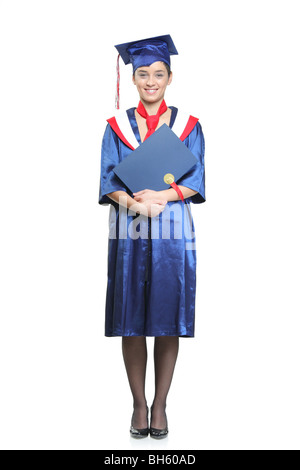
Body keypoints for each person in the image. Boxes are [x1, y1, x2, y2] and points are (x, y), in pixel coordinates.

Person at [98, 35, 206, 439]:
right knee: (132, 320)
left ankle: (159, 406)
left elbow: (196, 179)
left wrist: (161, 195)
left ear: (169, 77)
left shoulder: (188, 126)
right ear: (133, 78)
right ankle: (137, 405)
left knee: (165, 318)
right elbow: (108, 177)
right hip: (130, 228)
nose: (150, 81)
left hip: (173, 232)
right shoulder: (116, 127)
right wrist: (135, 204)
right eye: (142, 73)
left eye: (158, 73)